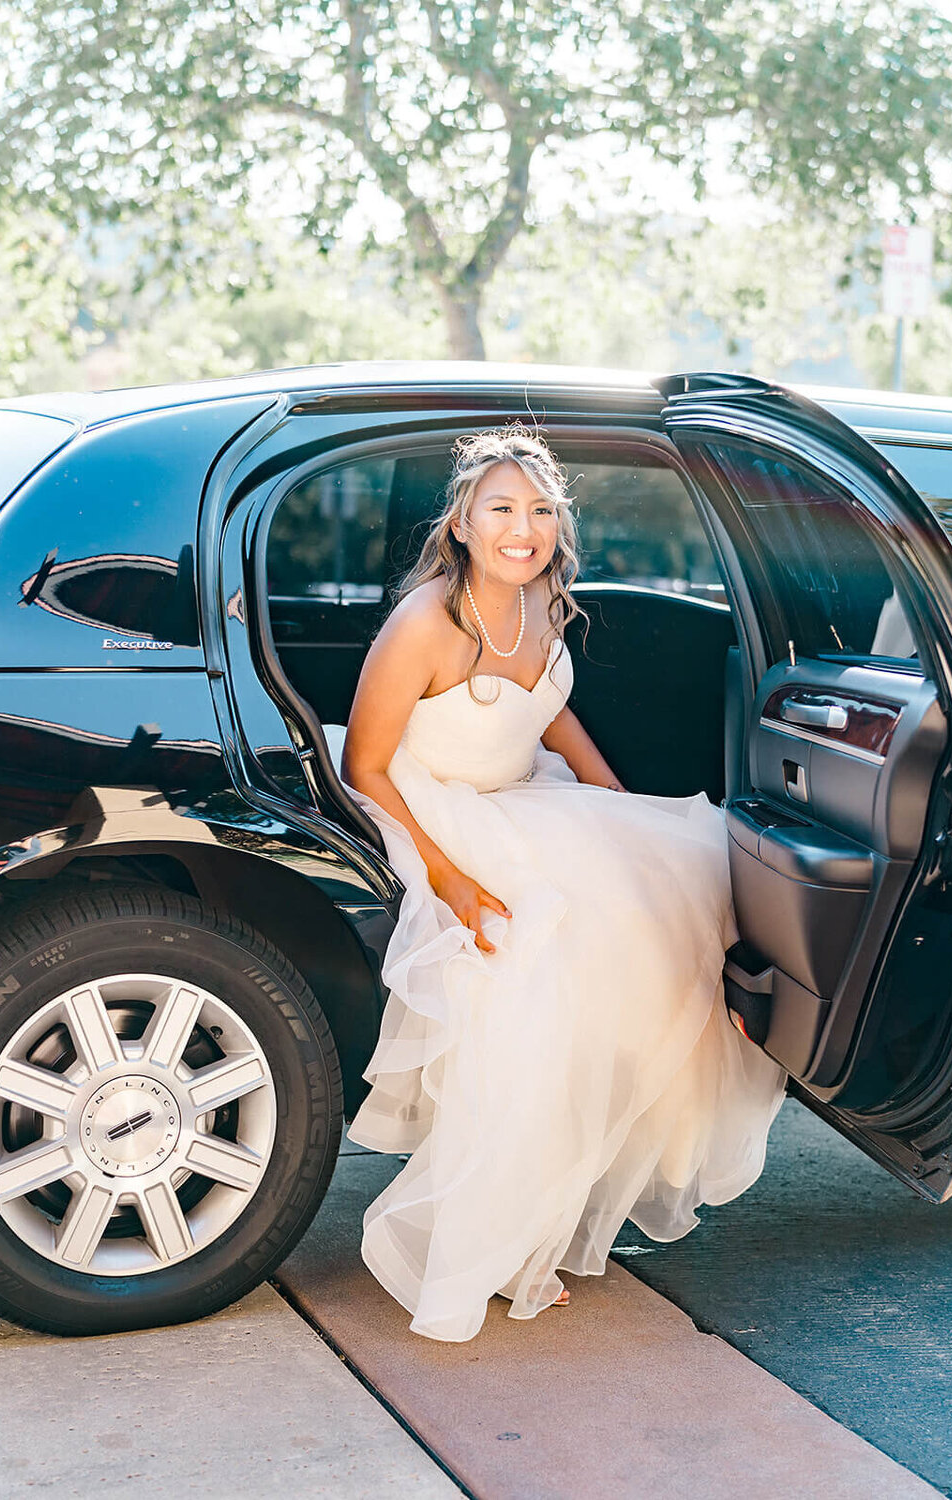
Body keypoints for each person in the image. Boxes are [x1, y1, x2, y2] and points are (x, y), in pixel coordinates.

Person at [340, 425, 785, 1343]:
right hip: (434, 813)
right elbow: (366, 767)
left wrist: (615, 803)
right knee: (534, 987)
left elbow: (550, 711)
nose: (525, 527)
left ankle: (559, 1205)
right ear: (461, 523)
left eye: (542, 511)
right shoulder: (428, 621)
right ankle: (491, 1244)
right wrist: (449, 878)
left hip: (523, 798)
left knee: (673, 897)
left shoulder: (541, 598)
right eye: (502, 508)